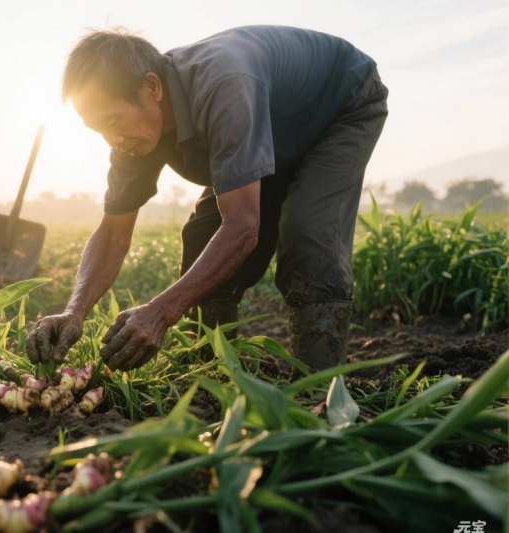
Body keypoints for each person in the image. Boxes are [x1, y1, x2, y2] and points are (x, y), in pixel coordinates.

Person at [26, 25, 388, 372]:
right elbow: (112, 233)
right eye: (98, 129)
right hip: (272, 131)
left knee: (308, 230)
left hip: (341, 103)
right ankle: (210, 366)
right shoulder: (133, 136)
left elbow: (243, 227)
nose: (112, 139)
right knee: (202, 236)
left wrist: (161, 311)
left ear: (151, 88)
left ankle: (319, 381)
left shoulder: (223, 88)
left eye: (114, 121)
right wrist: (74, 311)